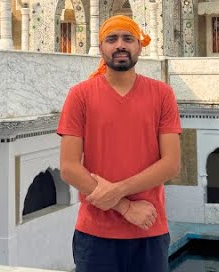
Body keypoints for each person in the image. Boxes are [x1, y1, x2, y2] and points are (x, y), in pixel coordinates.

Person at [56, 14, 182, 272]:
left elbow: (171, 164)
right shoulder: (80, 95)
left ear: (140, 46)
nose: (120, 45)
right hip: (95, 235)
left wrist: (115, 191)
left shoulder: (162, 94)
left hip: (149, 231)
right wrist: (125, 206)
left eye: (128, 38)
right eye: (112, 39)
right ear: (101, 47)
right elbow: (69, 167)